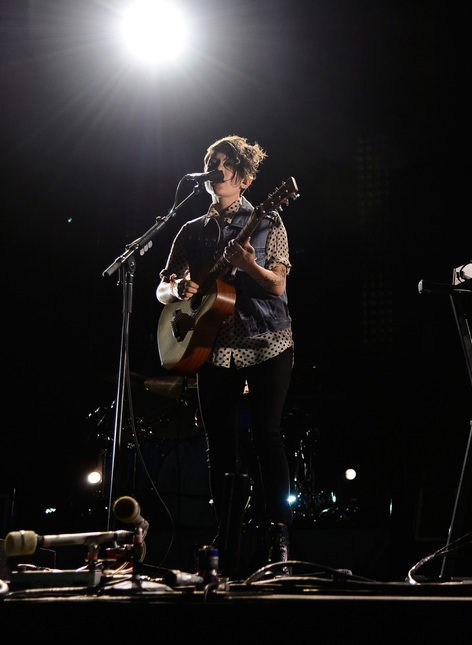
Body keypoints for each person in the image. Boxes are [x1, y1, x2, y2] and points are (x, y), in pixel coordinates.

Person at [156, 134, 294, 579]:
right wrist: (177, 289)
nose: (216, 171)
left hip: (267, 339)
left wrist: (249, 264)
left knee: (267, 437)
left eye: (225, 165)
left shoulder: (268, 219)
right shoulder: (190, 230)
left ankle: (278, 535)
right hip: (212, 344)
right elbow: (162, 287)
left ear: (246, 177)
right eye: (211, 163)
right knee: (220, 444)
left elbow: (276, 285)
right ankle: (227, 534)